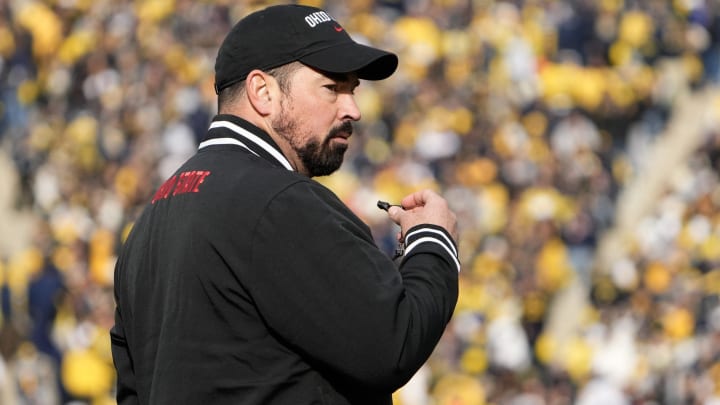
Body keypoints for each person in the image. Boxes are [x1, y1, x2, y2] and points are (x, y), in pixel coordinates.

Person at [110, 4, 460, 404]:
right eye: (333, 88)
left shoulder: (150, 223)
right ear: (263, 92)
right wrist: (433, 243)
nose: (354, 110)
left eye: (353, 90)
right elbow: (391, 344)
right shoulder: (279, 200)